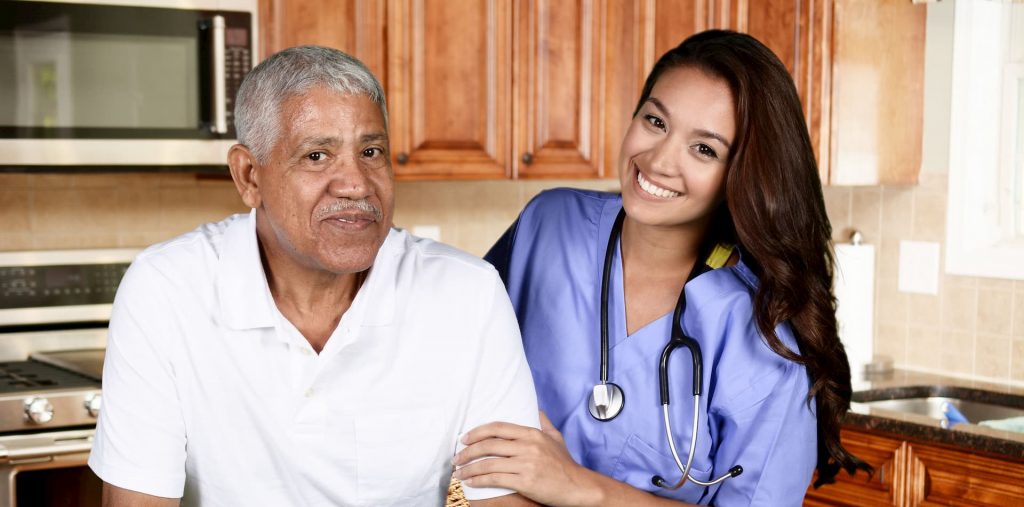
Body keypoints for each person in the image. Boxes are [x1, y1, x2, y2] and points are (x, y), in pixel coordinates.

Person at [88, 46, 540, 507]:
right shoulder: (165, 287)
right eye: (317, 155)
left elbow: (506, 498)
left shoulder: (468, 293)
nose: (356, 184)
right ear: (249, 176)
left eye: (371, 151)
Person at [452, 30, 870, 506]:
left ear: (743, 174)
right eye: (656, 121)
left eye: (704, 149)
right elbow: (446, 362)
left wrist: (577, 487)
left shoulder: (764, 340)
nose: (658, 160)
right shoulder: (550, 226)